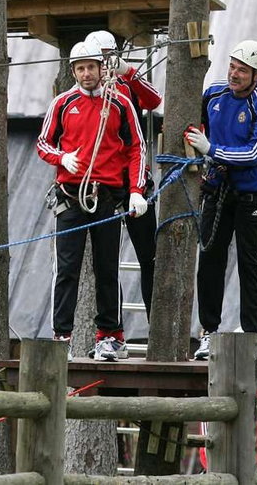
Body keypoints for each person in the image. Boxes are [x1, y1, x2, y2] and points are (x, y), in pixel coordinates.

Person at [36, 41, 147, 362]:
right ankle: (61, 337)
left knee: (107, 267)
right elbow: (43, 142)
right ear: (73, 71)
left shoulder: (120, 103)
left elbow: (136, 147)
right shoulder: (62, 103)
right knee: (67, 269)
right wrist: (62, 158)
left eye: (91, 67)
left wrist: (137, 190)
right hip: (71, 196)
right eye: (80, 68)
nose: (87, 74)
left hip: (107, 197)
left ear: (101, 69)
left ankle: (110, 336)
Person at [185, 40, 257, 361]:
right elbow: (194, 122)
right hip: (217, 187)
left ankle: (252, 333)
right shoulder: (214, 94)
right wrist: (199, 156)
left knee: (250, 261)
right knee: (210, 257)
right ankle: (209, 332)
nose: (234, 74)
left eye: (242, 70)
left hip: (253, 191)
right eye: (232, 66)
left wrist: (210, 150)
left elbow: (254, 153)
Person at [84, 30, 162, 318]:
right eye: (99, 59)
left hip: (135, 177)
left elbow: (154, 100)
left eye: (108, 57)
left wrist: (128, 71)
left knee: (149, 256)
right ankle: (110, 328)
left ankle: (157, 322)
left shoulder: (126, 84)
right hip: (104, 183)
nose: (104, 64)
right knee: (106, 261)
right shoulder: (83, 91)